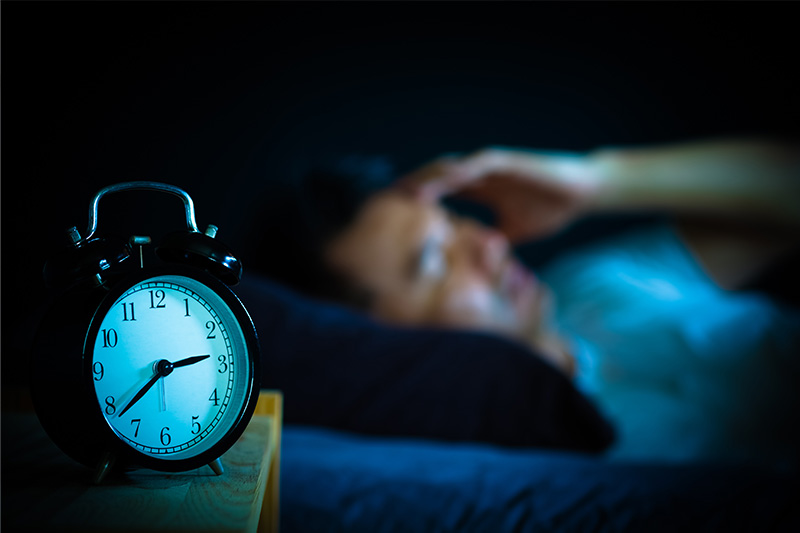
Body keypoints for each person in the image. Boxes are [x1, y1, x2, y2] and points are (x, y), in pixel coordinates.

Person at [262, 139, 800, 469]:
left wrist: (598, 182)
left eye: (455, 222)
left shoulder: (589, 283)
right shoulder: (545, 472)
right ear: (376, 340)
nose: (492, 244)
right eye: (435, 262)